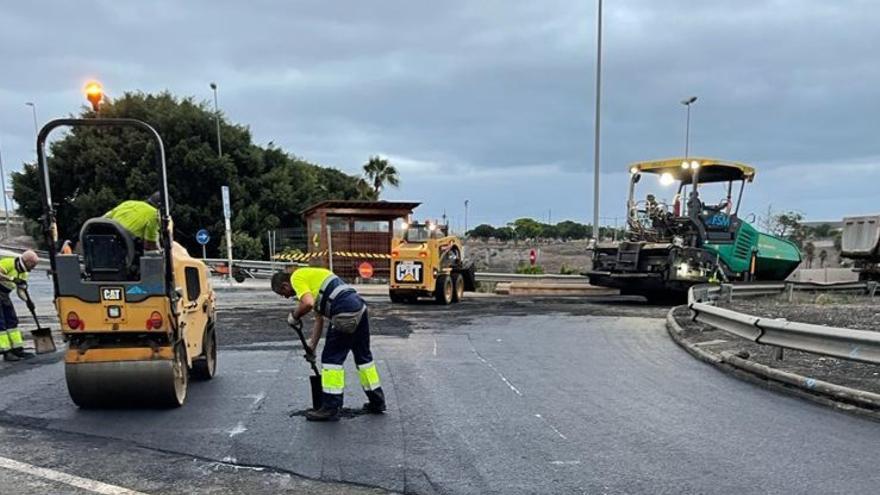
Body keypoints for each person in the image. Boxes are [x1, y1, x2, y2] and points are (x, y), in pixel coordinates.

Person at [271, 267, 386, 421]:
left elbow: (308, 303)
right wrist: (312, 346)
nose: (286, 297)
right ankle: (377, 401)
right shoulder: (312, 279)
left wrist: (294, 315)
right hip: (359, 308)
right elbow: (319, 319)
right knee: (363, 358)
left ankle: (331, 407)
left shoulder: (296, 278)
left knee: (331, 360)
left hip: (344, 312)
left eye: (282, 294)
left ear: (285, 285)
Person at [0, 251, 39, 362]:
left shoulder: (24, 273)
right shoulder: (9, 263)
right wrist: (12, 279)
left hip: (4, 295)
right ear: (27, 261)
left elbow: (21, 291)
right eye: (33, 265)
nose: (34, 268)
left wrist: (28, 301)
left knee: (12, 320)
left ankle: (17, 349)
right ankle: (6, 352)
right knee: (1, 323)